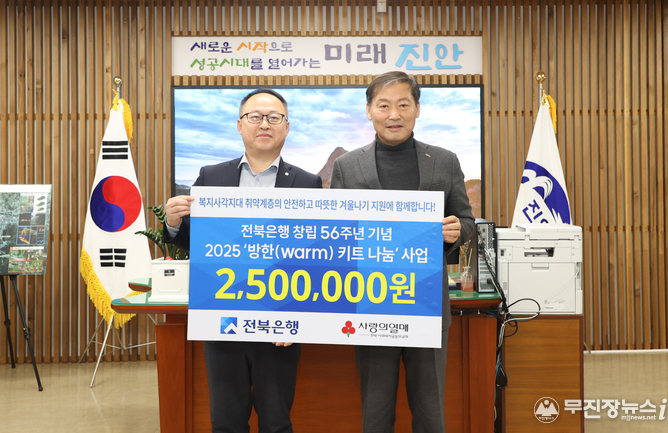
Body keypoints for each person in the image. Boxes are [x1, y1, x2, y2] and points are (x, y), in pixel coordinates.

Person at [163, 88, 322, 433]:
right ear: (240, 125)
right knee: (226, 422)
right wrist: (174, 224)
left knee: (277, 422)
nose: (264, 124)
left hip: (280, 323)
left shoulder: (307, 183)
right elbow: (196, 242)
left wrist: (298, 314)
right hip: (222, 318)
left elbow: (314, 256)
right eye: (255, 116)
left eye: (274, 117)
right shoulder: (211, 177)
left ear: (286, 127)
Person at [330, 71, 474, 433]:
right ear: (369, 111)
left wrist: (456, 231)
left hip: (427, 301)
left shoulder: (444, 161)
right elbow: (335, 232)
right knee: (376, 412)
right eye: (383, 106)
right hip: (370, 301)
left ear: (417, 109)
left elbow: (467, 222)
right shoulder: (348, 166)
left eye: (403, 105)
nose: (394, 114)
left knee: (430, 411)